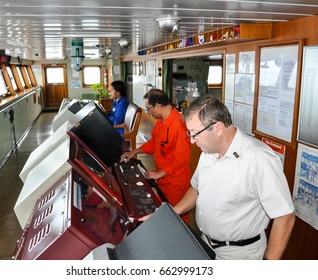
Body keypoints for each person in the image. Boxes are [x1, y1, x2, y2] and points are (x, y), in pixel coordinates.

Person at [171, 96, 295, 260]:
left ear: (217, 128)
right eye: (190, 133)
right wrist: (172, 213)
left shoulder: (259, 159)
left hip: (240, 254)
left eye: (195, 134)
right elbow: (197, 188)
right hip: (205, 244)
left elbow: (285, 215)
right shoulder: (208, 152)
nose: (192, 141)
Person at [121, 88, 191, 223]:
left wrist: (159, 173)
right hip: (162, 178)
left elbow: (181, 161)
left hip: (175, 181)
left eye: (149, 109)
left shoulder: (180, 126)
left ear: (158, 106)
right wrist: (135, 152)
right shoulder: (160, 120)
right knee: (164, 211)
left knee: (178, 217)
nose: (149, 112)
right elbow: (154, 143)